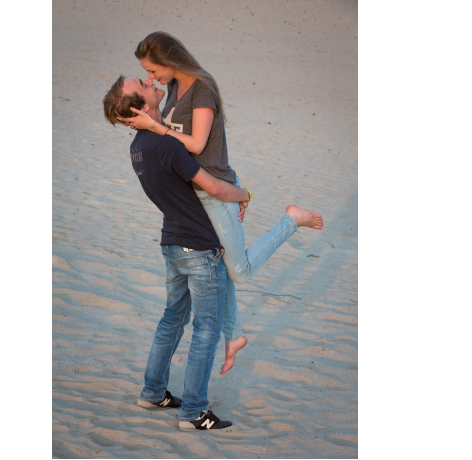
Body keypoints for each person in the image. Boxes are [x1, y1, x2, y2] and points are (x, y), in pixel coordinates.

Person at [120, 31, 324, 374]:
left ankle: (291, 219)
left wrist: (154, 127)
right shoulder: (174, 89)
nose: (152, 78)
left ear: (170, 59)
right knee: (220, 265)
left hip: (215, 189)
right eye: (147, 74)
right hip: (200, 192)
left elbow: (197, 145)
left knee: (239, 270)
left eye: (153, 70)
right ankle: (235, 336)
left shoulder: (202, 88)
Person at [102, 74, 247, 430]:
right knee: (206, 329)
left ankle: (153, 392)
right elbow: (213, 186)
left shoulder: (139, 147)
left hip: (173, 244)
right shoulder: (165, 145)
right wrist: (245, 195)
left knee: (172, 319)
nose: (151, 82)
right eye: (143, 84)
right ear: (141, 106)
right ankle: (194, 411)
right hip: (198, 247)